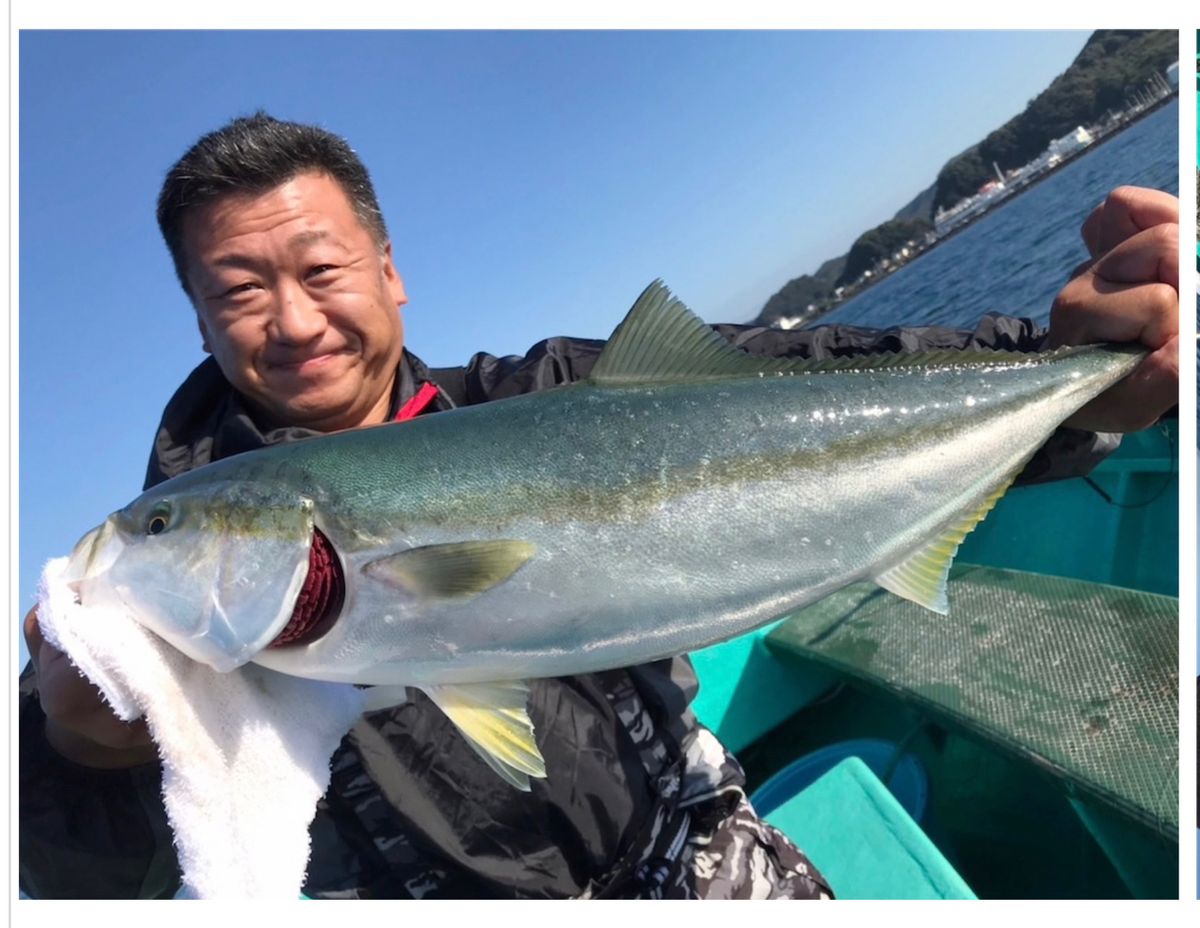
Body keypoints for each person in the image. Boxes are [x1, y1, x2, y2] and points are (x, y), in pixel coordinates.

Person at [19, 114, 1179, 900]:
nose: (295, 319)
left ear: (388, 269)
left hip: (697, 851)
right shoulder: (152, 599)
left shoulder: (558, 395)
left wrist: (1063, 365)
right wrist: (79, 747)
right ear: (201, 320)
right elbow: (61, 837)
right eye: (239, 292)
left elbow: (814, 370)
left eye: (322, 272)